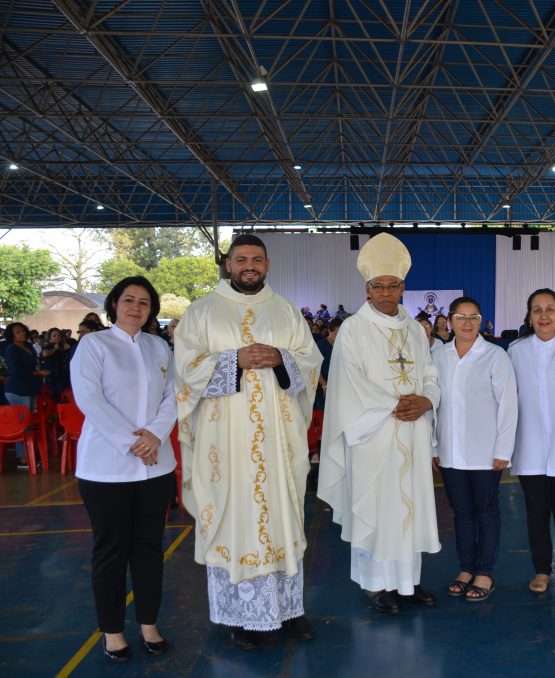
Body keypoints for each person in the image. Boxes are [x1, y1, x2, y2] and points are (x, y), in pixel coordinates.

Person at [174, 234, 322, 648]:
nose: (249, 266)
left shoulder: (287, 311)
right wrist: (232, 360)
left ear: (268, 265)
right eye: (241, 259)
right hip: (227, 442)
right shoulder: (201, 312)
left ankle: (290, 610)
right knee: (234, 514)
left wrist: (282, 359)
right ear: (228, 264)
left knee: (283, 514)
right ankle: (241, 615)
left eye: (257, 259)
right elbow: (185, 368)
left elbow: (311, 361)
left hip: (279, 441)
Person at [318, 233, 441, 615]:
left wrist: (427, 400)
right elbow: (347, 383)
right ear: (367, 289)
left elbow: (430, 373)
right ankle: (376, 585)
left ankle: (408, 583)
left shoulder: (415, 330)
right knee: (378, 506)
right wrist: (396, 404)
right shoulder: (353, 329)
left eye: (393, 286)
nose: (386, 292)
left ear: (403, 288)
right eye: (378, 286)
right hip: (372, 435)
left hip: (413, 430)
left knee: (410, 508)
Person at [70, 277, 178, 662]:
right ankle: (113, 631)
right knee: (111, 551)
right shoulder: (93, 345)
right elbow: (90, 399)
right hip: (106, 468)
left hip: (155, 466)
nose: (136, 307)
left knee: (149, 549)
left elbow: (173, 397)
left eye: (145, 302)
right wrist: (134, 442)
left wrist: (155, 435)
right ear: (114, 304)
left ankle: (149, 623)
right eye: (128, 300)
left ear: (152, 310)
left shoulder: (159, 347)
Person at [434, 296, 517, 602]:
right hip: (451, 451)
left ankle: (485, 571)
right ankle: (466, 568)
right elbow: (434, 404)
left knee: (485, 511)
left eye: (473, 317)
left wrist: (503, 450)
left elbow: (509, 405)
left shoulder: (495, 356)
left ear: (481, 321)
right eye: (460, 317)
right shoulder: (439, 356)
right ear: (449, 321)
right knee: (461, 512)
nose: (467, 323)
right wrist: (433, 445)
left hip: (485, 452)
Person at [508, 289, 555, 595]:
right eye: (537, 310)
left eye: (550, 309)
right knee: (536, 514)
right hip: (530, 449)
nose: (543, 316)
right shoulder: (515, 351)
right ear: (528, 316)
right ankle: (541, 569)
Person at [2, 322, 48, 469]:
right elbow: (16, 371)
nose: (21, 333)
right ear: (12, 335)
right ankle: (23, 457)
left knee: (28, 424)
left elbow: (35, 363)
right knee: (22, 425)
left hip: (30, 388)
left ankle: (28, 454)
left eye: (22, 331)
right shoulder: (12, 349)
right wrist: (36, 373)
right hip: (17, 389)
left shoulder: (29, 347)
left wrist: (41, 371)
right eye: (17, 332)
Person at [41, 327, 72, 395]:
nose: (57, 337)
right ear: (50, 338)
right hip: (52, 377)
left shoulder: (63, 346)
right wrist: (55, 349)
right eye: (54, 336)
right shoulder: (48, 346)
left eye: (59, 335)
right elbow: (45, 354)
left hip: (63, 376)